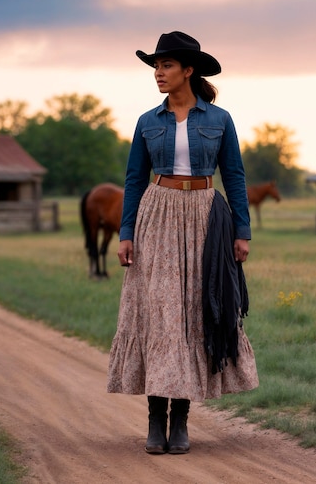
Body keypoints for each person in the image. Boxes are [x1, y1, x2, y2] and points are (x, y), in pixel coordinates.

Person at [107, 31, 259, 455]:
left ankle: (182, 422)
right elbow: (135, 180)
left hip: (206, 216)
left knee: (194, 313)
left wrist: (242, 231)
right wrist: (126, 233)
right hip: (157, 213)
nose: (158, 73)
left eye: (166, 65)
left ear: (188, 70)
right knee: (160, 314)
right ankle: (156, 421)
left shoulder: (219, 119)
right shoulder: (146, 121)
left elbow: (236, 176)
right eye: (156, 66)